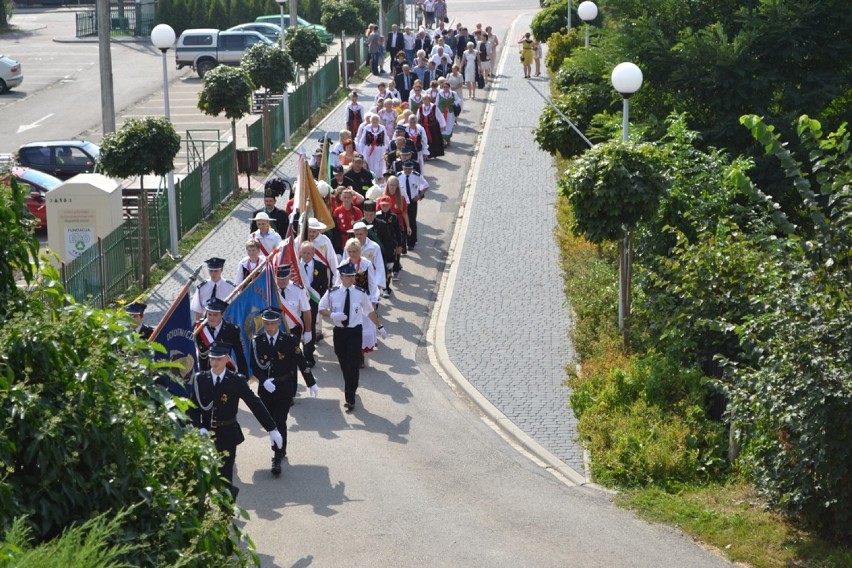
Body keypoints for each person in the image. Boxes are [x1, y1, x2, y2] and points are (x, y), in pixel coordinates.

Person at [188, 341, 284, 497]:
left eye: (218, 359)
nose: (214, 362)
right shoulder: (200, 379)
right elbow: (192, 407)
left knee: (225, 477)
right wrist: (199, 427)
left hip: (227, 434)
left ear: (227, 359)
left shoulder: (236, 380)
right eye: (212, 359)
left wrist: (272, 428)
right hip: (206, 434)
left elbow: (255, 404)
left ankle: (225, 514)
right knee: (204, 475)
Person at [250, 308, 318, 475]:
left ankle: (277, 454)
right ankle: (277, 446)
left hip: (284, 386)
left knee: (280, 420)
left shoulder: (289, 340)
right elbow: (254, 365)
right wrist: (263, 380)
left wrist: (311, 383)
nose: (269, 327)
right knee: (269, 420)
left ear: (279, 323)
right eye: (266, 323)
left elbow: (300, 361)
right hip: (266, 388)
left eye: (272, 323)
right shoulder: (257, 341)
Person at [319, 262, 387, 411]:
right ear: (341, 277)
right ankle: (350, 384)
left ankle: (350, 396)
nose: (351, 278)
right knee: (343, 361)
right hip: (340, 332)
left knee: (353, 363)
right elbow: (321, 308)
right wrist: (333, 314)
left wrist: (379, 326)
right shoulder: (332, 292)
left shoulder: (360, 293)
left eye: (353, 276)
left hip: (355, 331)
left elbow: (369, 311)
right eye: (348, 276)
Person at [195, 297, 249, 376]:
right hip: (205, 376)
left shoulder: (232, 330)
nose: (211, 318)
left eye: (215, 315)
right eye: (209, 314)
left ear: (222, 314)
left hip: (225, 376)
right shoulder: (198, 328)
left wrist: (243, 378)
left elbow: (240, 356)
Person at [297, 240, 330, 366]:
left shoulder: (320, 267)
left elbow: (324, 285)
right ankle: (298, 355)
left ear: (313, 253)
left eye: (308, 253)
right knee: (298, 329)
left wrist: (320, 301)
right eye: (303, 252)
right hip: (297, 304)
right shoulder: (296, 267)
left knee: (309, 328)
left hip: (313, 303)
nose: (305, 255)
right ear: (300, 252)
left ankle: (308, 356)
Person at [274, 264, 312, 352]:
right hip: (276, 330)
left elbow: (306, 311)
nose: (281, 282)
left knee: (292, 357)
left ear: (289, 276)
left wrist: (308, 331)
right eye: (279, 279)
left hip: (293, 329)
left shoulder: (298, 290)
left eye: (284, 279)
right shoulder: (272, 290)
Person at [366, 198, 400, 292]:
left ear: (374, 213)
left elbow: (388, 241)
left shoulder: (382, 225)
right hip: (365, 256)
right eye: (366, 214)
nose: (369, 217)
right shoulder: (360, 224)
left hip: (380, 254)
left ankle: (386, 288)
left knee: (384, 272)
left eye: (371, 215)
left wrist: (390, 256)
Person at [349, 219, 386, 296]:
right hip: (353, 280)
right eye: (356, 234)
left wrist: (377, 284)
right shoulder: (349, 247)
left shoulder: (374, 247)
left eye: (361, 234)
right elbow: (345, 264)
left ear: (366, 233)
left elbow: (379, 266)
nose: (359, 237)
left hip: (370, 280)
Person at [397, 161, 428, 249]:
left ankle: (411, 242)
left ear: (412, 168)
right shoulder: (398, 176)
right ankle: (403, 242)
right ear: (402, 167)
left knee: (412, 221)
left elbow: (426, 185)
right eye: (406, 168)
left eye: (409, 169)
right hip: (402, 201)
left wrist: (419, 195)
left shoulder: (416, 176)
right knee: (402, 221)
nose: (407, 170)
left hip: (412, 201)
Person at [356, 114, 389, 181]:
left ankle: (379, 177)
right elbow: (362, 140)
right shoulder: (367, 128)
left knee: (379, 163)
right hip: (368, 149)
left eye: (376, 119)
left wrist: (387, 148)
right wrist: (360, 150)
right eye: (373, 119)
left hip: (380, 149)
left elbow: (386, 139)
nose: (375, 121)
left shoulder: (382, 128)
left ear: (379, 120)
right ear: (371, 120)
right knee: (369, 163)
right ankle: (370, 176)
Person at [418, 94, 446, 159]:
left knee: (434, 141)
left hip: (433, 128)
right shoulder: (420, 108)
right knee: (425, 141)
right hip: (424, 128)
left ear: (429, 100)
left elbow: (440, 117)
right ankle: (426, 155)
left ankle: (433, 154)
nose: (426, 101)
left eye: (427, 100)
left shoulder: (434, 107)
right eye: (424, 100)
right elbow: (418, 118)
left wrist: (442, 125)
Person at [436, 81, 461, 145]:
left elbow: (459, 100)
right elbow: (437, 103)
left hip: (450, 112)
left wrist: (454, 103)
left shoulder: (453, 93)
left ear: (449, 87)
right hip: (442, 113)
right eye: (444, 87)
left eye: (447, 87)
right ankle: (443, 140)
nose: (445, 88)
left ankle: (448, 138)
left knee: (449, 125)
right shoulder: (439, 93)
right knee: (442, 125)